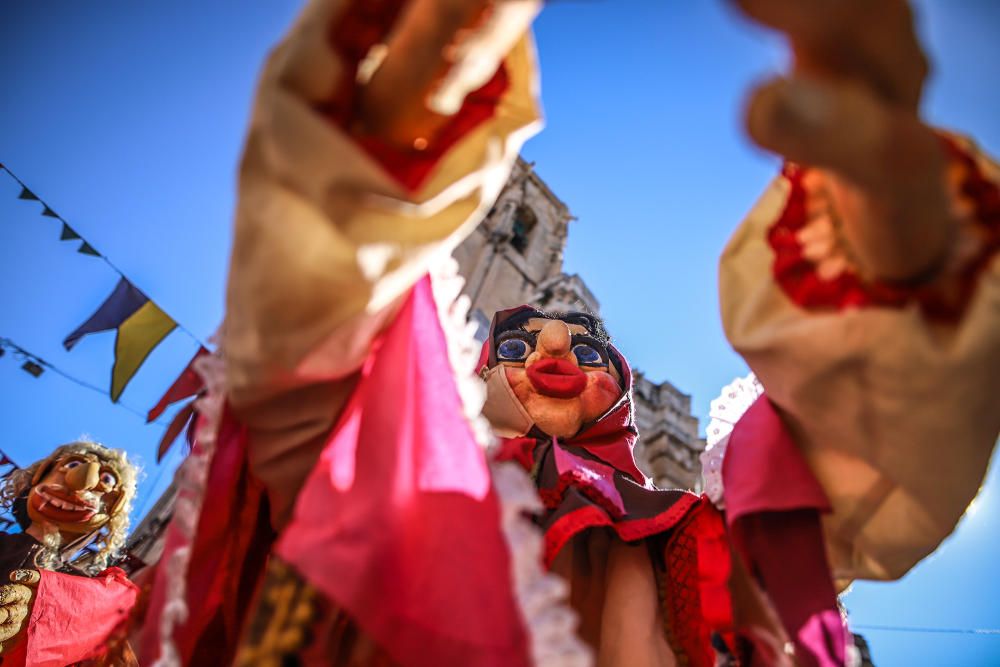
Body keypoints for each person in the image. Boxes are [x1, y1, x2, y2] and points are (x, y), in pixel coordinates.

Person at [138, 1, 999, 665]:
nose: (551, 353)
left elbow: (835, 471)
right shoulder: (387, 449)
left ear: (623, 393)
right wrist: (387, 137)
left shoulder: (692, 529)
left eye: (587, 350)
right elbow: (308, 333)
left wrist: (892, 244)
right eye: (514, 346)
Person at [0, 441, 140, 666]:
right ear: (39, 476)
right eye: (72, 464)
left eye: (106, 480)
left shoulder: (96, 597)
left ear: (112, 513)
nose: (80, 481)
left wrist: (51, 608)